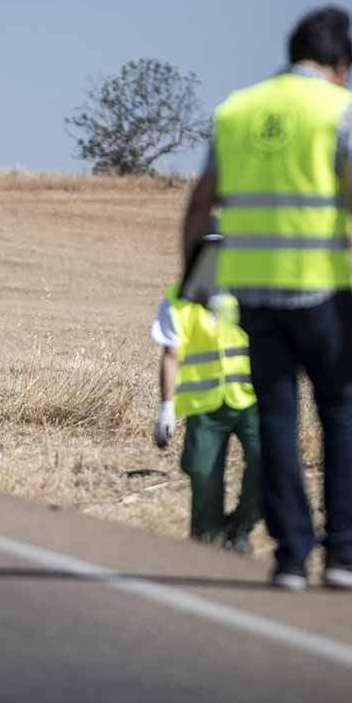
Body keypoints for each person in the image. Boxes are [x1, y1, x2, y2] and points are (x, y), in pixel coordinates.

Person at [182, 5, 352, 591]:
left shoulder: (235, 110)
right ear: (339, 62)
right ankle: (348, 553)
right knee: (338, 414)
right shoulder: (344, 110)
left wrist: (193, 283)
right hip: (321, 293)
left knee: (277, 418)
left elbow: (200, 205)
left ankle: (289, 557)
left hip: (254, 298)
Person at [151, 231, 262, 554]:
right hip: (204, 406)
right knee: (202, 473)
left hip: (253, 400)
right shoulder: (177, 299)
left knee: (268, 465)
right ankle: (206, 544)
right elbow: (171, 355)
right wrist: (166, 407)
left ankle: (239, 529)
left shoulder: (250, 293)